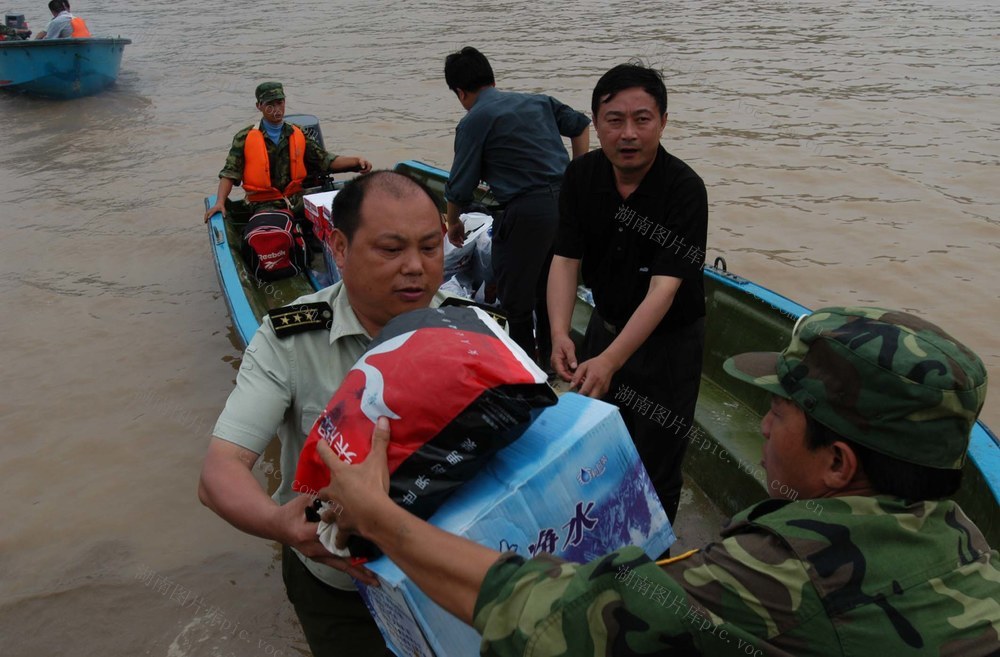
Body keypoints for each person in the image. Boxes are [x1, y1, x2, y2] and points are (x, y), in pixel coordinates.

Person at [314, 305, 998, 656]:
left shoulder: (785, 576)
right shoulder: (965, 538)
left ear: (839, 463)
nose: (760, 425)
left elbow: (541, 616)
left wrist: (377, 514)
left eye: (779, 411)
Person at [198, 170, 447, 656]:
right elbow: (218, 473)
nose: (415, 267)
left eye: (430, 247)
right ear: (337, 247)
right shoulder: (289, 341)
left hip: (444, 573)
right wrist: (279, 524)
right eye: (391, 250)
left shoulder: (472, 331)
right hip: (338, 587)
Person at [547, 61, 708, 524]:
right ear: (595, 124)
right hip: (605, 329)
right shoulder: (581, 178)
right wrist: (561, 331)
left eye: (643, 118)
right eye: (614, 120)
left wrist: (611, 362)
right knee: (597, 445)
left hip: (669, 348)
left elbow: (664, 290)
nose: (629, 133)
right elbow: (565, 259)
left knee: (658, 461)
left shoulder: (684, 190)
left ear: (663, 121)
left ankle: (652, 565)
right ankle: (602, 537)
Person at [443, 46, 590, 366]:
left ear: (460, 92)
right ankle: (558, 361)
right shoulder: (539, 101)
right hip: (566, 206)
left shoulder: (473, 121)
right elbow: (580, 126)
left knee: (516, 301)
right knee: (550, 288)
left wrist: (453, 223)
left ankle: (529, 372)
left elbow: (460, 186)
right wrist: (578, 178)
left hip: (526, 213)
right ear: (492, 79)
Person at [203, 82, 372, 223]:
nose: (276, 109)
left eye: (279, 103)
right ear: (259, 106)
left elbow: (324, 160)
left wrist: (356, 162)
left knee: (343, 217)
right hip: (264, 205)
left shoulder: (298, 133)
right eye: (270, 105)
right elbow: (230, 173)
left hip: (297, 201)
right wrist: (220, 202)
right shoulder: (244, 137)